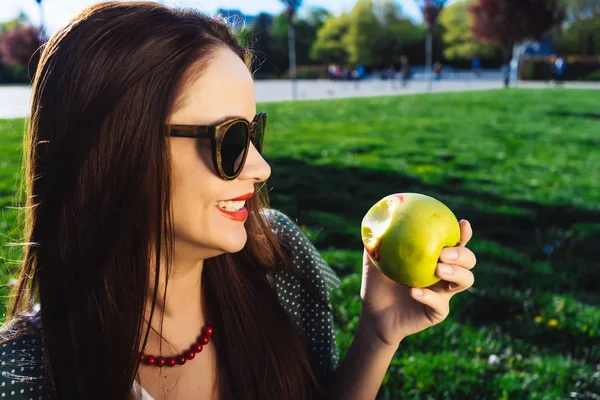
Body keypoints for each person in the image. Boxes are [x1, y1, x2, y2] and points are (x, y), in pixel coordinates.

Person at [0, 2, 477, 399]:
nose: (261, 168)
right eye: (229, 140)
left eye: (254, 133)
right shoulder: (25, 377)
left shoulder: (279, 261)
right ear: (116, 148)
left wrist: (377, 335)